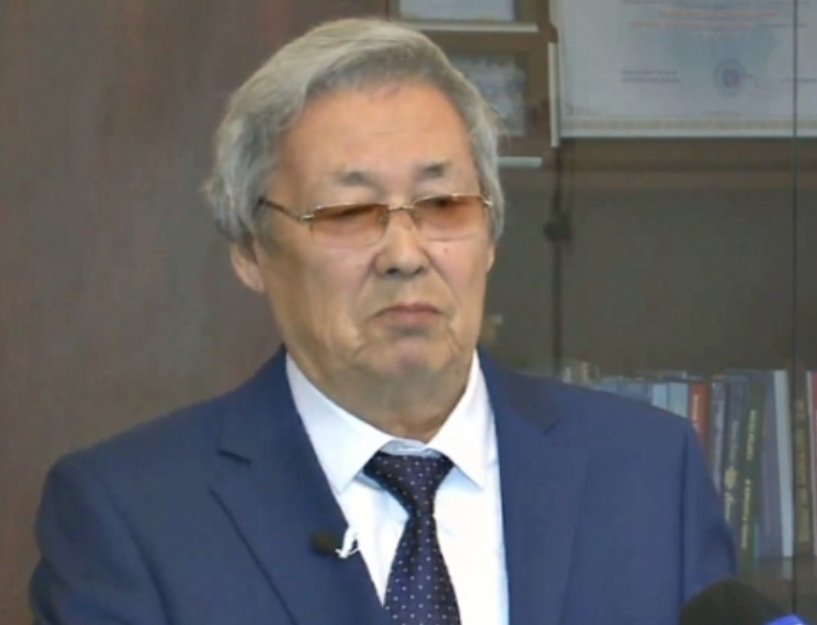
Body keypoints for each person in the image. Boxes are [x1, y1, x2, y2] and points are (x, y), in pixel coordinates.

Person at [30, 17, 735, 625]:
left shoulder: (646, 471)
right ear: (250, 251)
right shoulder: (134, 514)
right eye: (347, 212)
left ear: (490, 235)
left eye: (443, 205)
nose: (405, 254)